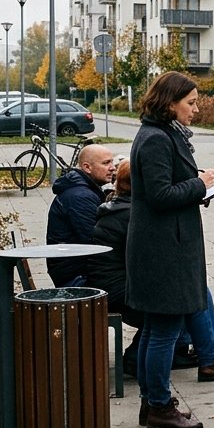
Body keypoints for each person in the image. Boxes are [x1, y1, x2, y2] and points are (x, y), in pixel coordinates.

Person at [128, 72, 214, 428]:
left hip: (165, 245)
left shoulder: (162, 134)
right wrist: (199, 183)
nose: (196, 108)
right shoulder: (156, 139)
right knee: (163, 332)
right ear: (170, 103)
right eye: (190, 103)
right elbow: (160, 196)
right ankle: (159, 405)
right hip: (164, 250)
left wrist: (199, 181)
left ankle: (152, 402)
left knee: (157, 329)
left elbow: (169, 185)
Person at [90, 160, 142, 373]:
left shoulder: (116, 206)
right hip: (115, 288)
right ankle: (135, 358)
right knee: (171, 306)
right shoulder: (131, 214)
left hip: (107, 281)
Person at [45, 144, 116, 287]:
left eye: (112, 162)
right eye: (106, 163)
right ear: (87, 167)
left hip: (76, 270)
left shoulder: (84, 190)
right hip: (76, 277)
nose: (113, 168)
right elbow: (95, 240)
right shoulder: (80, 196)